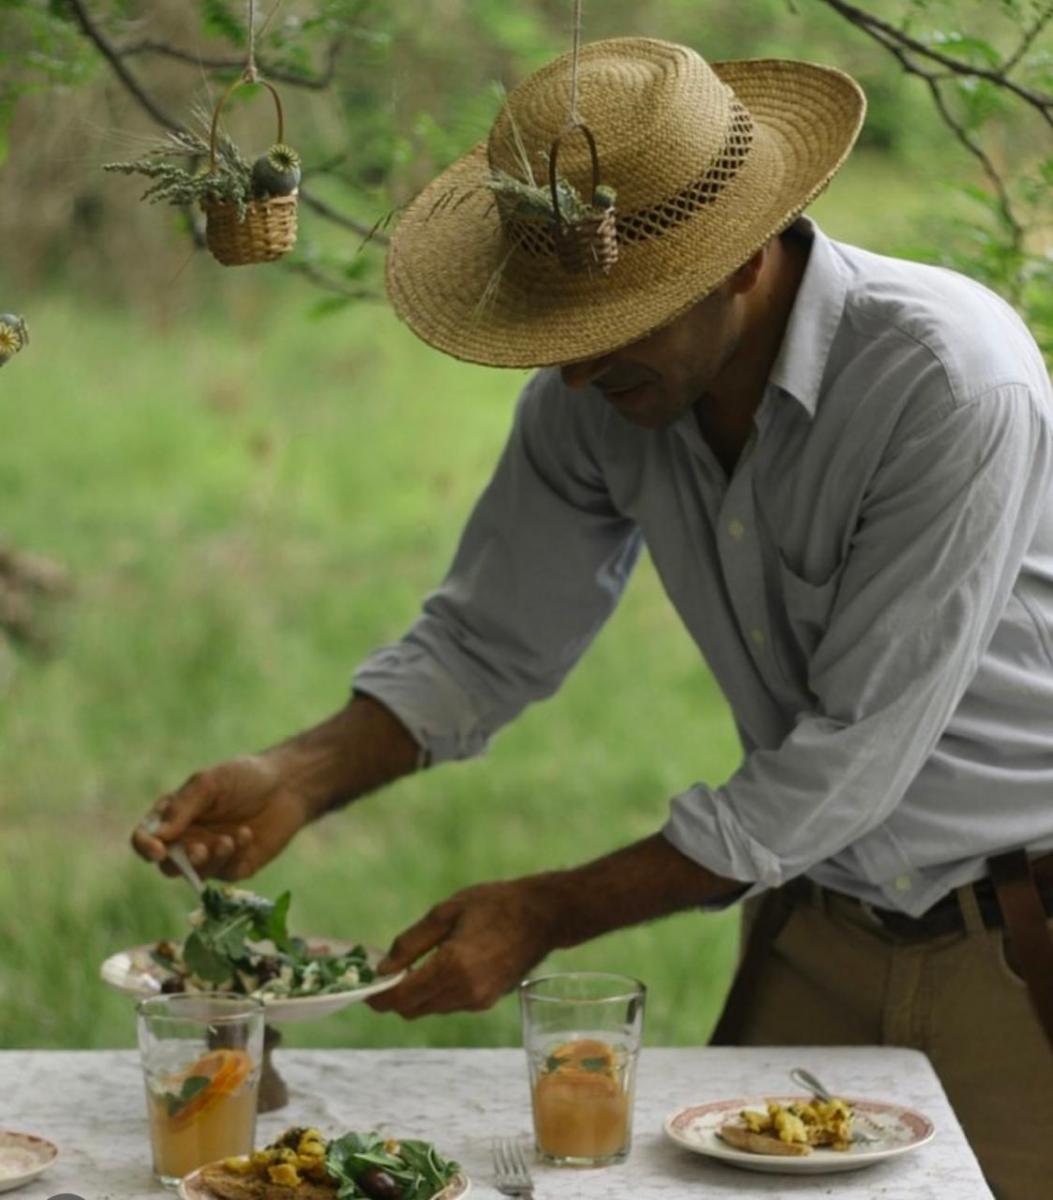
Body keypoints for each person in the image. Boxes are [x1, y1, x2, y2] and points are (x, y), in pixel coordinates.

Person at [131, 38, 1053, 1199]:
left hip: (1019, 941)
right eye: (558, 325)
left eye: (616, 317)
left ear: (741, 260)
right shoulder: (604, 388)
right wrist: (300, 775)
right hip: (822, 920)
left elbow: (845, 764)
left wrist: (548, 910)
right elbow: (485, 640)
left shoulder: (948, 381)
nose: (570, 374)